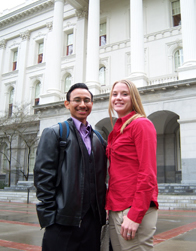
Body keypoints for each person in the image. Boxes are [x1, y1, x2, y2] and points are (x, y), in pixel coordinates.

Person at [34, 83, 107, 251]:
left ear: (92, 104)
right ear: (67, 104)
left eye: (87, 100)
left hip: (92, 223)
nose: (82, 104)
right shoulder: (55, 133)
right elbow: (43, 177)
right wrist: (50, 219)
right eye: (77, 100)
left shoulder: (98, 138)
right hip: (62, 222)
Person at [106, 79, 159, 251]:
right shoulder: (117, 130)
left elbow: (148, 173)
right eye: (114, 94)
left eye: (124, 94)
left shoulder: (141, 124)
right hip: (116, 208)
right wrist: (109, 207)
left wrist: (135, 215)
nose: (118, 98)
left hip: (133, 209)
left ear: (133, 97)